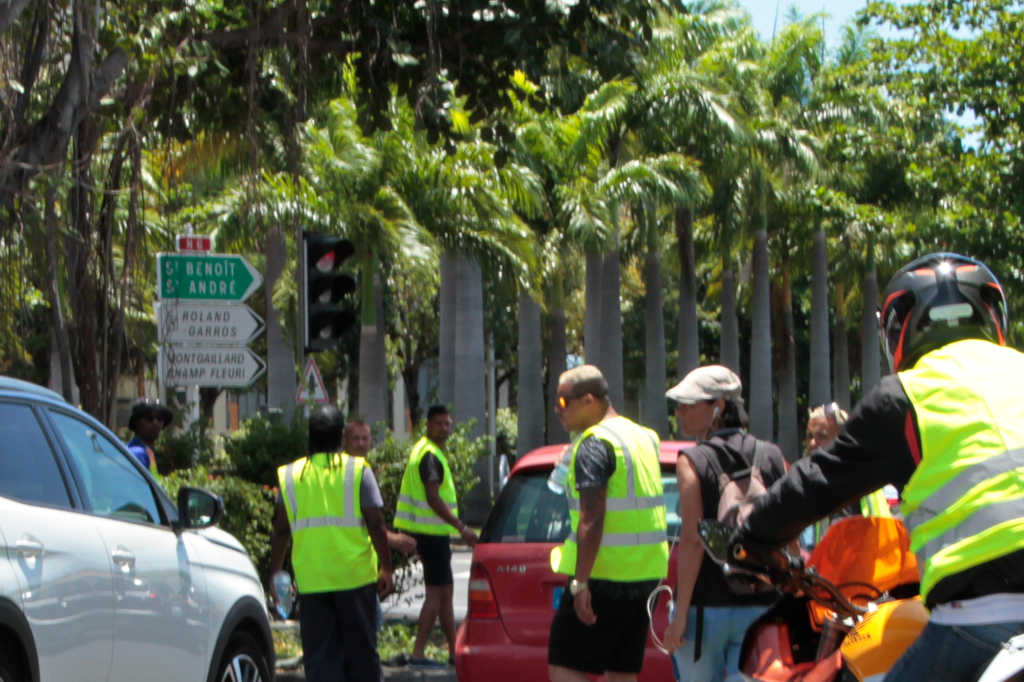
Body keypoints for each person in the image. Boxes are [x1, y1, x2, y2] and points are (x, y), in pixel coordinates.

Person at [736, 252, 1024, 681]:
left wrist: (751, 540)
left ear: (898, 329)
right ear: (992, 314)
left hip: (978, 618)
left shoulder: (904, 398)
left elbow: (816, 482)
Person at [661, 364, 788, 682]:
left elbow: (692, 541)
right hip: (762, 606)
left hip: (705, 612)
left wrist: (679, 618)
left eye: (689, 405)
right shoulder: (771, 456)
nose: (680, 413)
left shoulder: (692, 461)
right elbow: (789, 532)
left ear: (718, 407)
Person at [547, 364, 668, 682]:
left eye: (563, 402)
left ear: (589, 400)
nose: (557, 410)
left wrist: (581, 582)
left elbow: (592, 517)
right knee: (622, 671)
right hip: (646, 575)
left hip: (604, 575)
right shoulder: (644, 437)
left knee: (563, 666)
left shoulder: (595, 443)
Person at [269, 404, 394, 682]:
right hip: (356, 580)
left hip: (313, 583)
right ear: (341, 436)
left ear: (310, 436)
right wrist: (387, 567)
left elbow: (280, 531)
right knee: (363, 659)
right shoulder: (358, 470)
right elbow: (376, 523)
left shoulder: (290, 476)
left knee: (321, 662)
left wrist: (276, 573)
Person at [394, 404, 478, 667]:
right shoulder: (430, 456)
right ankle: (418, 654)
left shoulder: (426, 451)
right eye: (439, 423)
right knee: (436, 595)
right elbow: (433, 498)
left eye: (447, 423)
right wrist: (461, 527)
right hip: (431, 534)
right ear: (428, 426)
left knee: (446, 594)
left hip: (433, 534)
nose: (444, 428)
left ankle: (455, 652)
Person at [800, 402, 892, 549]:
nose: (812, 443)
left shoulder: (850, 474)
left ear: (841, 438)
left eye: (821, 436)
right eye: (809, 436)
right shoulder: (824, 476)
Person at [125, 398, 172, 474]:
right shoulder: (137, 453)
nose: (155, 423)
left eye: (159, 419)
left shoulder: (148, 452)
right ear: (136, 423)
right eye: (149, 418)